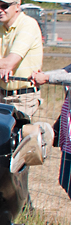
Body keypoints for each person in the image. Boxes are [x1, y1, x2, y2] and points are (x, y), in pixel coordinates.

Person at [31, 63, 71, 199]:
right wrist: (38, 75)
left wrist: (47, 77)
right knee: (65, 179)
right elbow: (65, 71)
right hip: (68, 128)